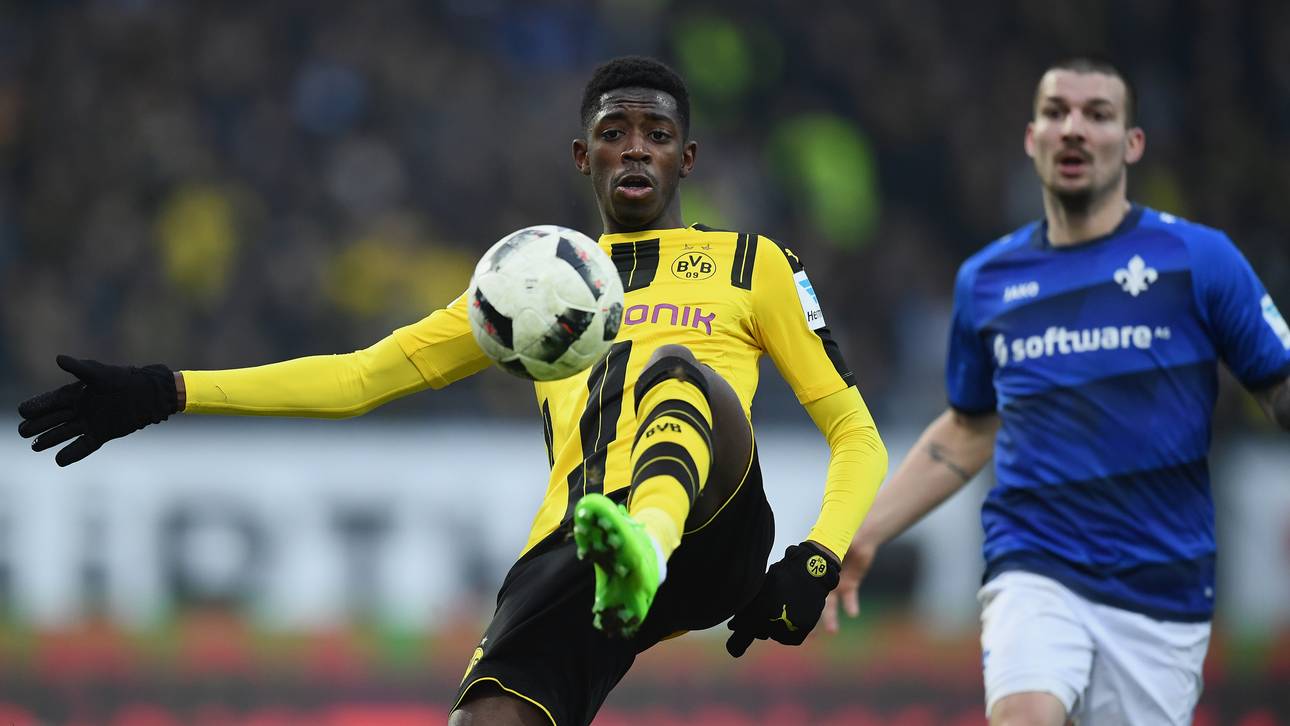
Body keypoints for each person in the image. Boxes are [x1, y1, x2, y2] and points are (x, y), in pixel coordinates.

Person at [18, 56, 888, 726]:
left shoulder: (750, 263)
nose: (635, 147)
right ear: (582, 156)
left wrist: (818, 556)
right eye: (614, 132)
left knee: (675, 373)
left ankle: (646, 548)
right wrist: (169, 391)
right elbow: (361, 377)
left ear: (685, 157)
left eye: (656, 134)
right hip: (580, 543)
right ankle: (622, 558)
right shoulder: (530, 283)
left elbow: (855, 431)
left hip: (713, 524)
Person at [822, 57, 1290, 725]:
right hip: (1035, 562)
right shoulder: (987, 280)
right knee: (1027, 713)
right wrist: (865, 533)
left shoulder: (1199, 260)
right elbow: (968, 428)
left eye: (1097, 114)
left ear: (1132, 143)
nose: (1074, 128)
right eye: (1056, 112)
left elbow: (1278, 385)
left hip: (1162, 585)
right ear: (1031, 137)